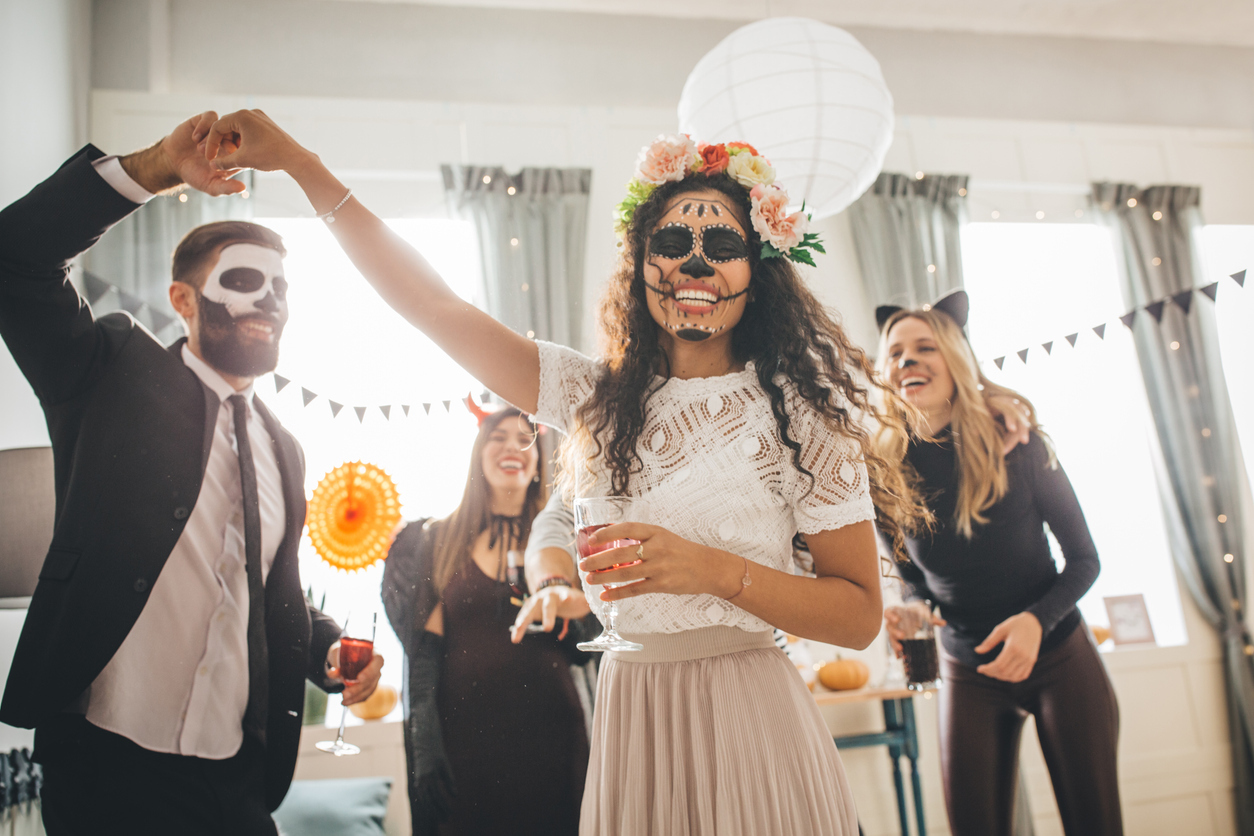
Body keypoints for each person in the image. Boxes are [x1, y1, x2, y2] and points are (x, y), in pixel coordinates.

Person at [199, 114, 931, 834]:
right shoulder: (593, 399)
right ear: (642, 263)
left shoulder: (802, 420)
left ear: (758, 268)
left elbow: (859, 613)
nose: (696, 265)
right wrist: (301, 163)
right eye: (672, 242)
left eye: (723, 244)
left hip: (750, 714)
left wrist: (711, 569)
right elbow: (429, 304)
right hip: (633, 719)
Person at [0, 113, 382, 835]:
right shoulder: (107, 377)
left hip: (235, 782)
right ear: (184, 301)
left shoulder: (285, 448)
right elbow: (15, 257)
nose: (269, 301)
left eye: (281, 289)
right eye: (243, 280)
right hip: (107, 774)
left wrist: (327, 647)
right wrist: (151, 169)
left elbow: (266, 590)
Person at [876, 292, 1122, 836]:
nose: (907, 361)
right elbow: (915, 581)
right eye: (895, 353)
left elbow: (1085, 559)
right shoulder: (884, 474)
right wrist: (912, 610)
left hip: (1060, 657)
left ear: (957, 359)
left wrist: (1036, 621)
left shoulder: (1021, 445)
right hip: (968, 668)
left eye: (924, 348)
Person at [381, 405, 596, 836]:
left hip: (553, 736)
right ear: (479, 453)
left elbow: (585, 642)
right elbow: (424, 656)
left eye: (524, 439)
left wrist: (574, 606)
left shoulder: (562, 540)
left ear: (539, 462)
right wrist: (424, 741)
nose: (512, 447)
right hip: (466, 740)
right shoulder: (437, 539)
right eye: (498, 438)